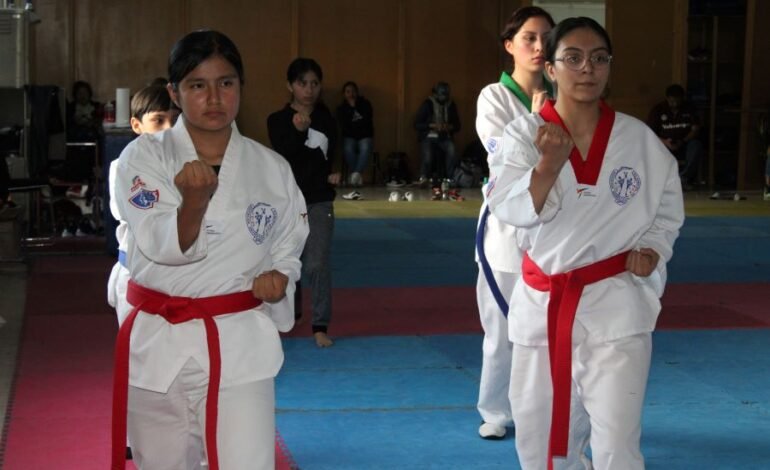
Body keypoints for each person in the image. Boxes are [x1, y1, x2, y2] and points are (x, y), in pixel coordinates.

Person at [486, 17, 684, 469]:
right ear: (551, 70)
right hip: (544, 305)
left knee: (617, 443)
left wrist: (652, 248)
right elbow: (508, 209)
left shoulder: (639, 141)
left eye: (598, 58)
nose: (587, 68)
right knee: (539, 443)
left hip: (615, 304)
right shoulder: (523, 135)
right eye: (572, 58)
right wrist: (548, 165)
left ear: (609, 68)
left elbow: (667, 208)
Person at [110, 30, 309, 470]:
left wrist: (281, 276)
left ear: (241, 87)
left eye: (227, 83)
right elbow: (155, 243)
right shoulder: (142, 159)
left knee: (246, 462)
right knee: (160, 463)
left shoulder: (271, 168)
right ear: (174, 93)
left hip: (237, 339)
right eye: (197, 85)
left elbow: (289, 239)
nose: (214, 97)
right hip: (160, 343)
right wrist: (193, 205)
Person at [473, 6, 555, 441]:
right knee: (501, 325)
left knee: (544, 326)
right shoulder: (494, 96)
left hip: (552, 226)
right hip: (504, 228)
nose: (540, 47)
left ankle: (537, 407)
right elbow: (504, 155)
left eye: (546, 38)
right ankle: (495, 410)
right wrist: (537, 119)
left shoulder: (564, 93)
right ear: (510, 46)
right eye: (529, 38)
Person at [105, 84, 177, 460]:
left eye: (173, 120)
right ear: (136, 125)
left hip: (173, 281)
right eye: (158, 120)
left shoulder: (187, 162)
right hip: (134, 278)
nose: (167, 128)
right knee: (137, 359)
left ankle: (178, 433)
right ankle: (135, 437)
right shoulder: (123, 167)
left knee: (175, 363)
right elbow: (133, 215)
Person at [267, 57, 339, 348]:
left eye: (314, 84)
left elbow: (330, 152)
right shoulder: (277, 120)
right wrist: (298, 132)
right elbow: (284, 154)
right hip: (288, 203)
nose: (309, 90)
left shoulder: (327, 119)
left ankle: (320, 324)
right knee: (288, 262)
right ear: (290, 86)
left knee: (317, 263)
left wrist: (335, 170)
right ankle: (290, 313)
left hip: (320, 200)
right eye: (302, 83)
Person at [647, 84, 704, 189]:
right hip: (665, 144)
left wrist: (682, 141)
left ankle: (683, 179)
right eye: (672, 101)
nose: (675, 104)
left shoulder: (690, 108)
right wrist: (665, 142)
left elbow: (695, 129)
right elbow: (650, 132)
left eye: (677, 101)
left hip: (685, 143)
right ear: (667, 98)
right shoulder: (658, 109)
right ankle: (661, 181)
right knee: (651, 147)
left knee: (696, 146)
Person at [414, 81, 461, 186]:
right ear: (435, 94)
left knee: (452, 149)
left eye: (446, 95)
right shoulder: (428, 104)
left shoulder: (451, 105)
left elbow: (458, 125)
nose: (443, 98)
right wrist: (433, 125)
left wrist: (448, 126)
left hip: (445, 137)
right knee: (428, 155)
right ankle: (423, 177)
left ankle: (450, 178)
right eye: (441, 95)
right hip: (429, 135)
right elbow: (417, 124)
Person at [336, 81, 374, 187]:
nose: (351, 94)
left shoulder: (365, 104)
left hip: (365, 135)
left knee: (366, 147)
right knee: (347, 148)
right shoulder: (341, 109)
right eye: (348, 92)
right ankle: (357, 175)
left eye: (353, 91)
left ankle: (354, 174)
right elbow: (345, 125)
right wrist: (352, 109)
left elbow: (367, 121)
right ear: (344, 94)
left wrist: (355, 110)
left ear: (357, 92)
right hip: (350, 136)